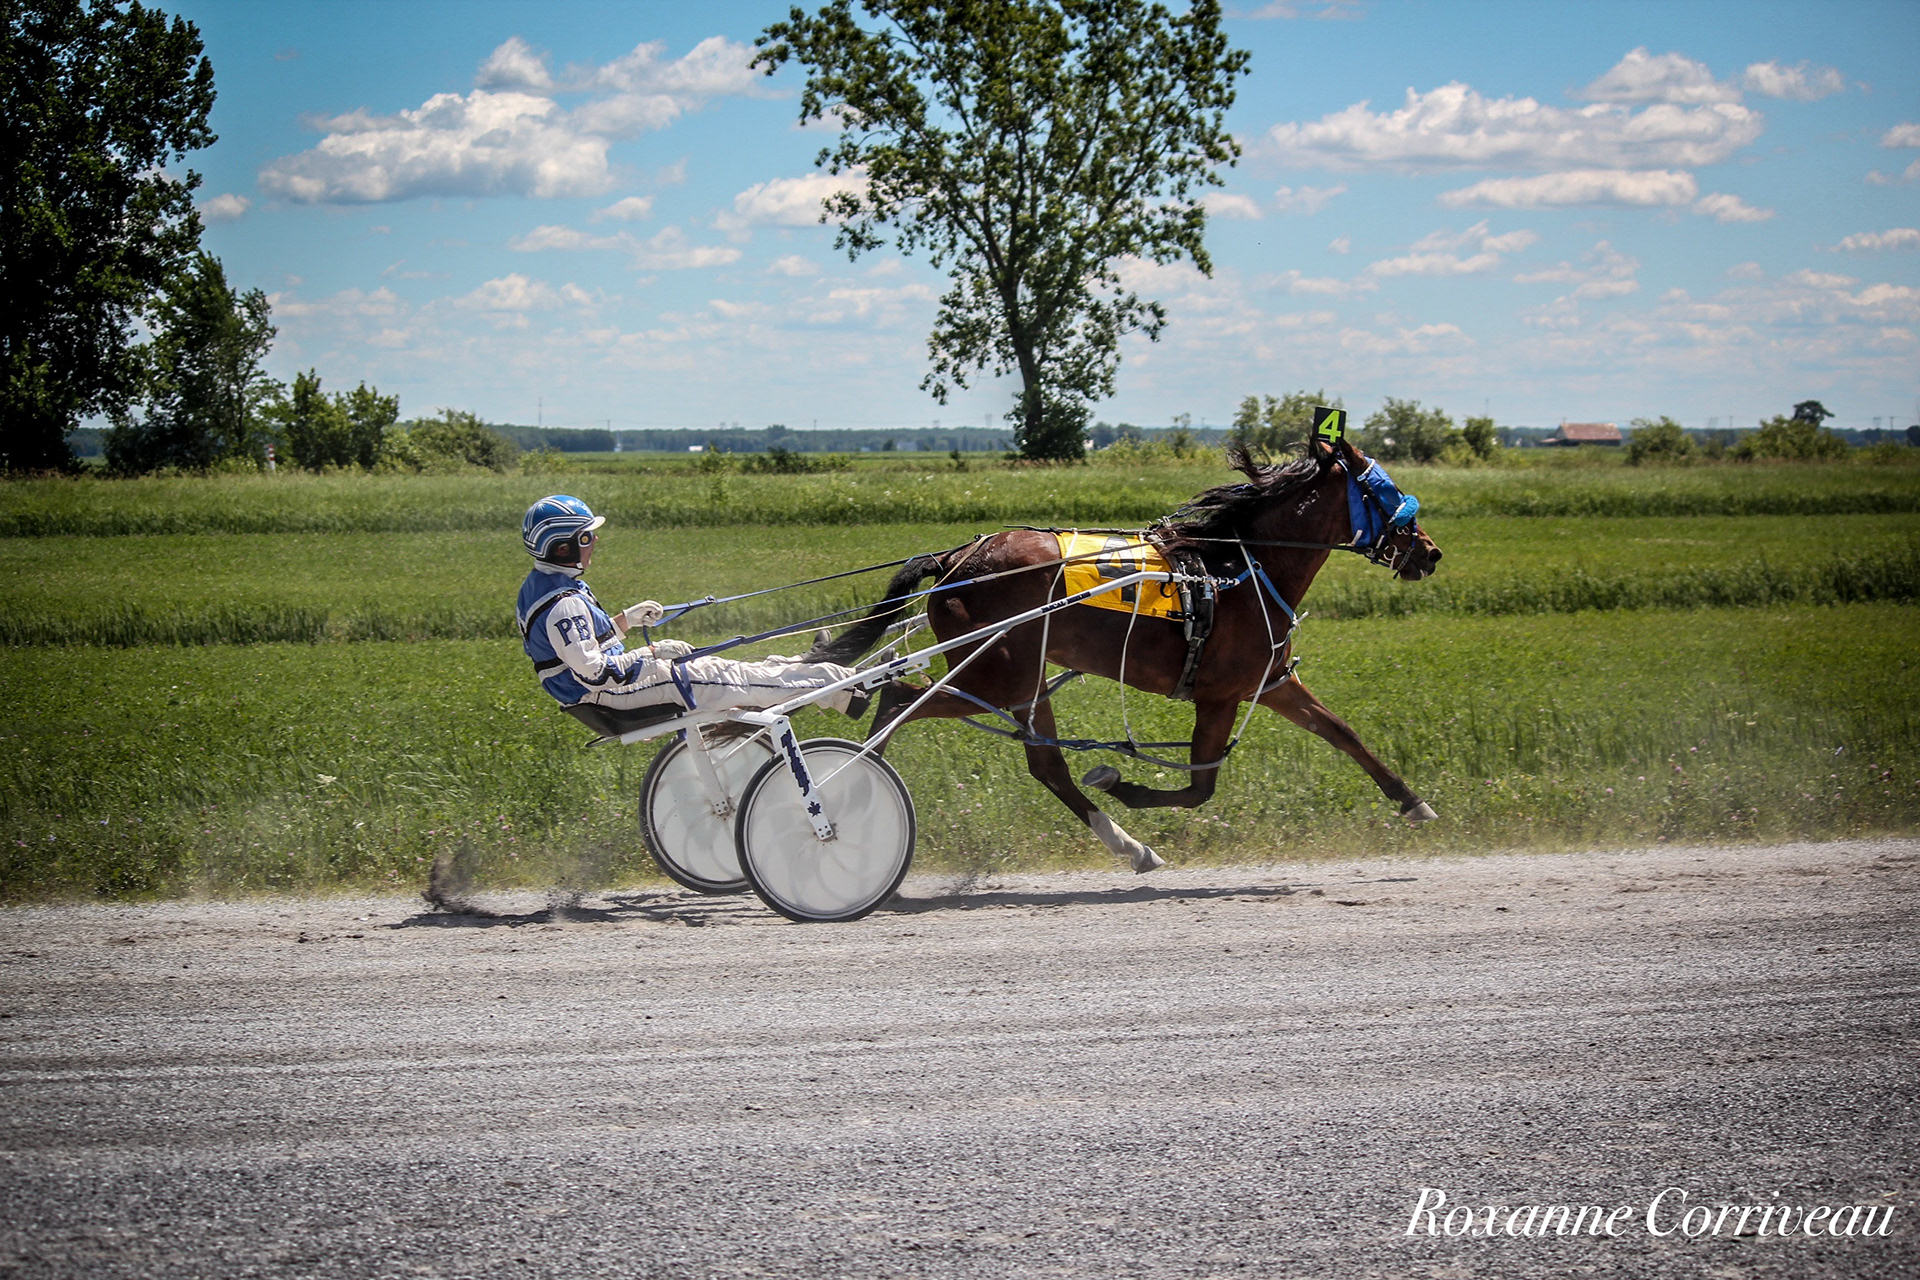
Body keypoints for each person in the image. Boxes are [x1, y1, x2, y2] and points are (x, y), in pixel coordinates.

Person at [515, 495, 867, 720]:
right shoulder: (564, 603)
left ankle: (804, 666)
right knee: (730, 679)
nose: (594, 543)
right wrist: (650, 652)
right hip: (608, 695)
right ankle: (841, 686)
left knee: (723, 669)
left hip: (603, 693)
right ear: (562, 548)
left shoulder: (545, 585)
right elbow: (594, 672)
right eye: (587, 537)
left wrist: (625, 620)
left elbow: (582, 648)